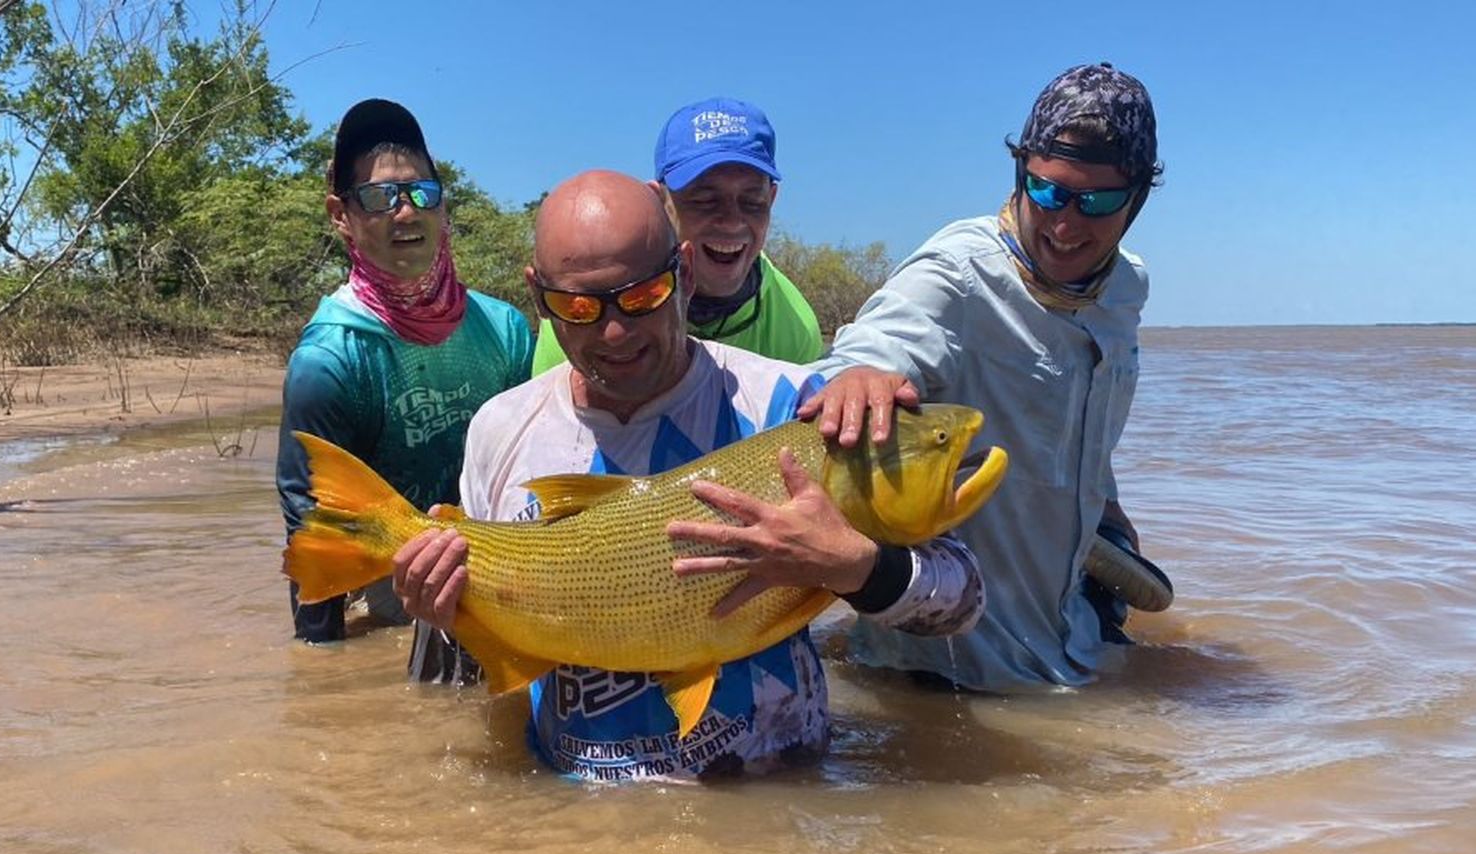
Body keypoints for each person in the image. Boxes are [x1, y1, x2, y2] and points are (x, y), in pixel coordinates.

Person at [393, 170, 984, 781]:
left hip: (777, 803)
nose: (614, 332)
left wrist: (855, 568)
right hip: (571, 828)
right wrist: (440, 609)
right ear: (538, 298)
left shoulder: (792, 408)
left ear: (685, 272)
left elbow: (962, 601)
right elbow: (484, 668)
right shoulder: (501, 428)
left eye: (642, 297)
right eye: (578, 307)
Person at [806, 63, 1163, 692]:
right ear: (1020, 170)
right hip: (948, 675)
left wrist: (1100, 503)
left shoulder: (1126, 287)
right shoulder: (958, 272)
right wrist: (858, 372)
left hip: (1073, 644)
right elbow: (875, 345)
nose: (1065, 223)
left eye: (1098, 202)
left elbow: (1080, 431)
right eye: (1047, 190)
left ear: (1136, 199)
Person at [276, 99, 534, 643]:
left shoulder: (507, 329)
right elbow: (311, 524)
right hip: (403, 590)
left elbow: (538, 468)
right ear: (340, 215)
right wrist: (322, 678)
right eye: (379, 197)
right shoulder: (330, 361)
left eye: (422, 193)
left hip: (508, 569)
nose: (406, 212)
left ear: (443, 208)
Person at [529, 97, 822, 376]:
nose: (732, 222)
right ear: (658, 200)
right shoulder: (586, 306)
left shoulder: (793, 327)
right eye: (705, 200)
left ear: (771, 199)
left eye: (752, 201)